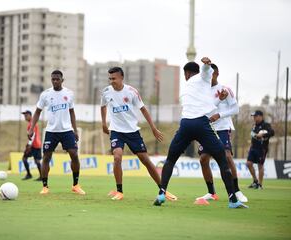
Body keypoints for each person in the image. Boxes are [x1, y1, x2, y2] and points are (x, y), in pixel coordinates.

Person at [153, 57, 248, 209]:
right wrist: (206, 65)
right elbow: (204, 74)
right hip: (202, 125)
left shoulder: (188, 87)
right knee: (223, 160)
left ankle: (161, 193)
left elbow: (203, 103)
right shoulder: (202, 78)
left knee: (170, 159)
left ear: (186, 74)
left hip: (185, 125)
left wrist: (206, 68)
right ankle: (233, 199)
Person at [101, 66, 177, 201]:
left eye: (114, 78)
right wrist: (103, 123)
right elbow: (103, 107)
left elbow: (143, 109)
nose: (111, 81)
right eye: (110, 78)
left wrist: (153, 128)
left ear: (121, 78)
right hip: (116, 131)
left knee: (145, 160)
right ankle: (119, 191)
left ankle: (163, 189)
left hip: (132, 131)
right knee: (117, 157)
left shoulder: (131, 92)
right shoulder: (106, 92)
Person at [196, 64, 248, 203]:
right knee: (203, 159)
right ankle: (211, 193)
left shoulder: (225, 89)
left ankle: (236, 190)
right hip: (207, 129)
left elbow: (235, 109)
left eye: (211, 74)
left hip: (223, 128)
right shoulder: (202, 91)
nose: (207, 77)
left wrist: (220, 115)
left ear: (217, 73)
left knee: (227, 156)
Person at [28, 70, 85, 195]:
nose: (55, 81)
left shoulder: (69, 94)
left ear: (62, 80)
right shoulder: (45, 94)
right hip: (51, 131)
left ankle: (75, 185)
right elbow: (37, 111)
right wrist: (32, 128)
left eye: (57, 79)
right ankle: (45, 187)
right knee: (46, 157)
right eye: (53, 79)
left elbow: (72, 112)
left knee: (74, 155)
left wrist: (75, 130)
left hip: (67, 130)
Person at [246, 110, 274, 189]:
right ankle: (255, 181)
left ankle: (260, 184)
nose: (254, 118)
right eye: (253, 116)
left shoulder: (266, 125)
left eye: (255, 116)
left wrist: (263, 134)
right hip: (253, 147)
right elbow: (253, 136)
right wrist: (250, 146)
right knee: (248, 163)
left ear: (260, 116)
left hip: (262, 148)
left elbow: (272, 132)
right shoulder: (254, 125)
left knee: (260, 165)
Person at [21, 110, 42, 181]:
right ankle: (41, 176)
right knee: (37, 161)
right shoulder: (32, 123)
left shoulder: (31, 124)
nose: (25, 117)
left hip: (34, 145)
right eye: (24, 115)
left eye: (26, 115)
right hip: (37, 144)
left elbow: (33, 135)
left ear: (30, 115)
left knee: (24, 158)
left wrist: (29, 145)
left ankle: (29, 174)